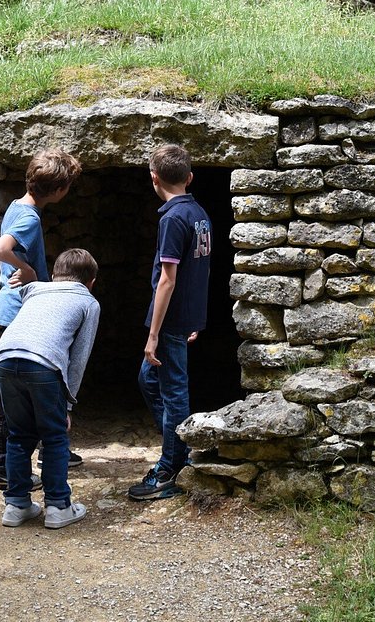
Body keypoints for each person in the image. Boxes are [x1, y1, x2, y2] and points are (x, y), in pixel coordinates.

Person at [0, 149, 83, 490]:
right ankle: (0, 466)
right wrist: (26, 270)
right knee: (13, 395)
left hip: (13, 310)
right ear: (59, 190)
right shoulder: (30, 218)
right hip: (19, 312)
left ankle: (47, 450)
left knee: (14, 390)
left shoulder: (16, 206)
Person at [0, 248, 100, 529]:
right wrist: (67, 404)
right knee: (54, 436)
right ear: (91, 282)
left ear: (54, 275)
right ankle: (58, 506)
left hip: (3, 360)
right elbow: (78, 359)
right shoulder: (88, 303)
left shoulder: (35, 290)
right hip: (43, 364)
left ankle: (16, 505)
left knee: (18, 435)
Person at [129, 144, 212, 501]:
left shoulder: (171, 219)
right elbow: (201, 270)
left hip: (170, 321)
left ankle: (170, 470)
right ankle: (178, 447)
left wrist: (153, 334)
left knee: (173, 391)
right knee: (149, 380)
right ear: (189, 178)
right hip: (184, 317)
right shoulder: (199, 213)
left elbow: (168, 279)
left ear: (154, 178)